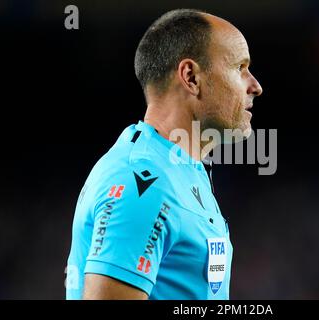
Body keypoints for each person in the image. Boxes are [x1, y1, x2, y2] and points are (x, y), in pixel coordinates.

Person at [66, 8, 262, 300]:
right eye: (239, 68)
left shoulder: (179, 170)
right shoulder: (143, 182)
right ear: (191, 77)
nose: (255, 86)